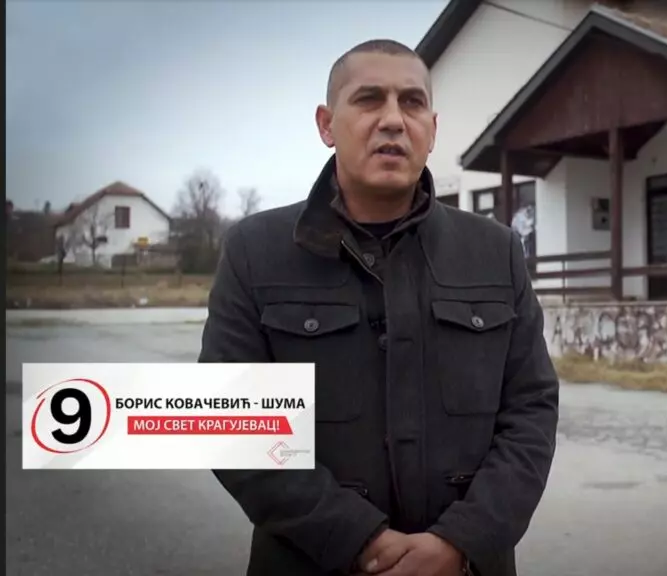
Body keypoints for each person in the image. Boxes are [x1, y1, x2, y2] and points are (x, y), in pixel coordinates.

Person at [198, 38, 560, 576]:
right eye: (369, 99)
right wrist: (357, 540)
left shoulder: (496, 251)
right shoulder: (255, 251)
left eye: (412, 102)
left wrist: (461, 541)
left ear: (431, 129)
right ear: (326, 125)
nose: (393, 119)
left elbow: (531, 410)